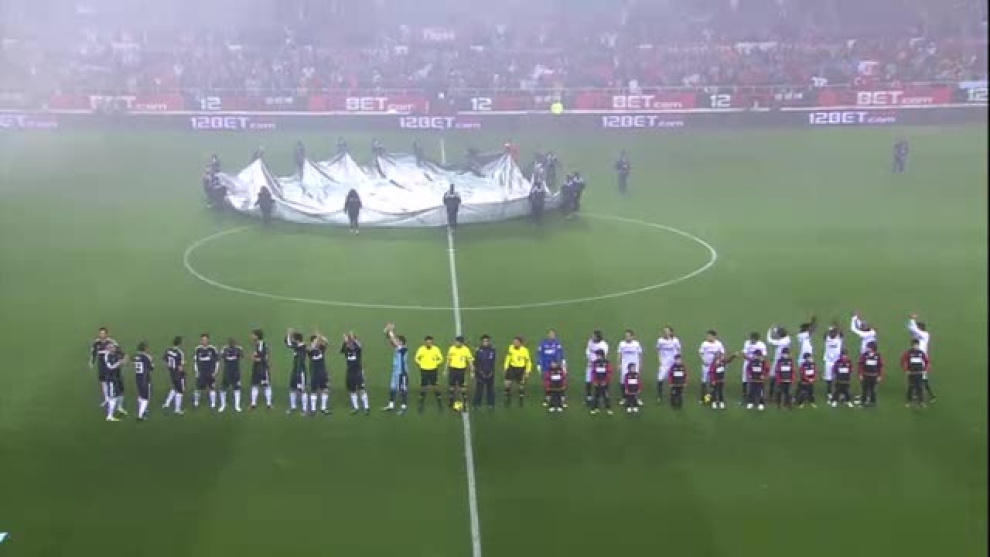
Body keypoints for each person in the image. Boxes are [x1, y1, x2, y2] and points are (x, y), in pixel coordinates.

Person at [907, 314, 935, 402]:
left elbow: (914, 329)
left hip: (922, 360)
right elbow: (910, 328)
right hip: (915, 359)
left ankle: (931, 395)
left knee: (923, 378)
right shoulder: (917, 336)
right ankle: (917, 394)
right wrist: (911, 321)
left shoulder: (925, 334)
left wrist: (912, 319)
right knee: (916, 377)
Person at [340, 332, 370, 415]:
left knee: (361, 389)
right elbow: (341, 350)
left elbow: (360, 345)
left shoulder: (357, 349)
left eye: (350, 342)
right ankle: (356, 408)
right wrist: (345, 341)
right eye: (348, 343)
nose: (348, 344)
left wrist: (353, 339)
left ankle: (366, 407)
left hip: (358, 372)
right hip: (350, 372)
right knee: (352, 390)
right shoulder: (346, 349)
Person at [382, 323, 408, 413]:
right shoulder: (398, 347)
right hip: (395, 372)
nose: (396, 341)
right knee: (392, 387)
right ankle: (391, 405)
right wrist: (387, 333)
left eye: (398, 340)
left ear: (401, 342)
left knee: (402, 389)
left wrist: (390, 331)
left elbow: (394, 341)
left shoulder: (404, 348)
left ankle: (403, 406)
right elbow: (391, 341)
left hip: (402, 373)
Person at [414, 336, 445, 412]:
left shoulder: (436, 349)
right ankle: (421, 401)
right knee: (423, 385)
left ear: (432, 342)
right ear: (425, 342)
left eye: (430, 342)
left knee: (435, 385)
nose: (429, 343)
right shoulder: (421, 349)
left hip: (433, 370)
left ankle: (439, 400)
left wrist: (435, 363)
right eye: (427, 342)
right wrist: (421, 363)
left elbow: (441, 359)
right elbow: (416, 358)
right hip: (424, 370)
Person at [537, 329, 566, 407]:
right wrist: (539, 364)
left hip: (555, 366)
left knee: (558, 382)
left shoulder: (557, 343)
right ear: (548, 335)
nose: (551, 335)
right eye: (550, 334)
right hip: (546, 366)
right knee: (547, 382)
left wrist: (563, 363)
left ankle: (560, 399)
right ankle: (547, 397)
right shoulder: (542, 343)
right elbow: (539, 354)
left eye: (553, 334)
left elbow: (561, 353)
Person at [90, 327, 117, 408]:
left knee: (111, 382)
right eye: (100, 333)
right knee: (103, 382)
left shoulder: (111, 342)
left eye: (103, 333)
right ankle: (106, 399)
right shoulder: (96, 343)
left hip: (110, 365)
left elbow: (118, 351)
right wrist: (92, 362)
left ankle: (113, 398)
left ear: (106, 334)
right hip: (101, 365)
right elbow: (93, 353)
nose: (102, 335)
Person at [446, 336, 474, 410]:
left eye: (458, 342)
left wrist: (472, 371)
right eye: (456, 342)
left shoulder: (466, 350)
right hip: (452, 369)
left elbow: (470, 361)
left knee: (462, 387)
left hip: (461, 370)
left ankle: (465, 402)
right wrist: (446, 369)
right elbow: (448, 360)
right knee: (451, 386)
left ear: (462, 343)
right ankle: (451, 401)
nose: (456, 343)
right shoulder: (451, 348)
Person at [503, 336, 532, 407]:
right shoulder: (511, 347)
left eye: (516, 342)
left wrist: (527, 371)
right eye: (514, 342)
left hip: (521, 368)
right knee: (507, 382)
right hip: (512, 367)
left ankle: (521, 396)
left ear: (520, 343)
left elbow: (528, 361)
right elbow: (508, 358)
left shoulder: (525, 350)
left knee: (521, 384)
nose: (514, 343)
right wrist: (506, 367)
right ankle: (507, 394)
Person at [698, 330, 725, 404]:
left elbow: (722, 353)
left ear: (714, 336)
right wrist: (703, 360)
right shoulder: (704, 344)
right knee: (704, 381)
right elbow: (700, 353)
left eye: (709, 336)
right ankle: (704, 398)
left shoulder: (719, 344)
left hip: (715, 366)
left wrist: (720, 361)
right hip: (706, 366)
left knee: (713, 381)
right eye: (707, 336)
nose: (708, 337)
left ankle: (711, 398)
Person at [655, 326, 681, 404]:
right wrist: (659, 359)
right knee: (660, 378)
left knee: (674, 379)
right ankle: (659, 395)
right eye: (664, 331)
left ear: (671, 332)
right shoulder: (660, 340)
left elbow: (679, 349)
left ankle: (674, 394)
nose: (665, 333)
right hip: (664, 363)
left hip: (673, 363)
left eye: (667, 331)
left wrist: (678, 359)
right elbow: (658, 349)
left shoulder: (675, 340)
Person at [616, 330, 643, 406]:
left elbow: (640, 354)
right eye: (626, 336)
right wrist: (618, 364)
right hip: (625, 365)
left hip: (634, 365)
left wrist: (640, 364)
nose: (627, 337)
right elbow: (619, 354)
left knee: (635, 381)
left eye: (628, 336)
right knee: (623, 381)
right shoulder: (621, 344)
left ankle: (637, 398)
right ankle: (624, 397)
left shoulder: (636, 344)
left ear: (632, 336)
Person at [286, 330, 309, 415]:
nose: (292, 340)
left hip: (300, 372)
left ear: (297, 340)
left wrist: (299, 376)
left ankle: (304, 409)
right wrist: (288, 334)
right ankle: (293, 407)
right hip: (295, 371)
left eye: (293, 338)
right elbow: (288, 343)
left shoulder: (302, 348)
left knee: (302, 390)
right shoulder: (297, 345)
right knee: (292, 389)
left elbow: (300, 362)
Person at [193, 334, 219, 411]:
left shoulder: (213, 349)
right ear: (201, 340)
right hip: (201, 372)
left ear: (208, 340)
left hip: (210, 372)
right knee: (198, 388)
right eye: (202, 340)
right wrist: (196, 371)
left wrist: (215, 372)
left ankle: (213, 403)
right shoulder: (198, 349)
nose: (204, 341)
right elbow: (195, 361)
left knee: (212, 388)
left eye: (205, 339)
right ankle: (196, 402)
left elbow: (217, 361)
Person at [901, 339, 930, 407]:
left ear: (918, 345)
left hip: (919, 372)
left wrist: (925, 370)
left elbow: (927, 362)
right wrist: (906, 370)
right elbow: (902, 361)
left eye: (917, 345)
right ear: (912, 345)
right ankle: (909, 401)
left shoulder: (921, 353)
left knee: (920, 387)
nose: (916, 346)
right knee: (911, 387)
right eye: (914, 345)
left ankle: (921, 401)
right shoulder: (908, 353)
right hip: (911, 373)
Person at [740, 332, 767, 403]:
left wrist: (757, 360)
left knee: (757, 378)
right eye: (751, 339)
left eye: (753, 340)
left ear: (757, 339)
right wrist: (751, 360)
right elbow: (744, 353)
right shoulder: (747, 343)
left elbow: (764, 356)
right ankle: (745, 395)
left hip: (758, 364)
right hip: (748, 362)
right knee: (745, 378)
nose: (751, 341)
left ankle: (759, 395)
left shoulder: (761, 345)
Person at [766, 325, 792, 401]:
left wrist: (769, 331)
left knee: (773, 377)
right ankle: (782, 394)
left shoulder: (781, 342)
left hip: (779, 361)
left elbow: (769, 340)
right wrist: (775, 329)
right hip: (785, 361)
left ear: (780, 335)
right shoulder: (787, 338)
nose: (776, 335)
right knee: (783, 377)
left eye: (777, 334)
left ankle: (772, 394)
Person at [249, 329, 273, 410]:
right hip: (256, 367)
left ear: (257, 336)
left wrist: (256, 359)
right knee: (255, 384)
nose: (251, 336)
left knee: (266, 385)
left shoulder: (262, 345)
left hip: (262, 368)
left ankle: (269, 404)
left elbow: (266, 356)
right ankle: (253, 404)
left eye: (253, 335)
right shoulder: (256, 344)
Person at [308, 330, 331, 415]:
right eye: (316, 341)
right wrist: (317, 339)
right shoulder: (309, 349)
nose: (318, 342)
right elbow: (312, 347)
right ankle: (313, 409)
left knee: (325, 389)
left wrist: (320, 336)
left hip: (322, 372)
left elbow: (327, 342)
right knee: (314, 390)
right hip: (314, 372)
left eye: (318, 341)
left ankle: (323, 408)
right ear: (312, 342)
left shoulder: (321, 348)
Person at [219, 337, 243, 413]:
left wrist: (238, 353)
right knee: (223, 388)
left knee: (237, 388)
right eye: (230, 343)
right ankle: (223, 405)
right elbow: (221, 356)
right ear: (228, 343)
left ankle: (237, 406)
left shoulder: (239, 349)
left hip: (236, 372)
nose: (232, 344)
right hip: (227, 372)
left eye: (233, 343)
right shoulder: (224, 349)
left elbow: (242, 356)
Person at [473, 334, 498, 411]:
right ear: (481, 342)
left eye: (487, 341)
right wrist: (480, 372)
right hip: (480, 373)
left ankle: (491, 404)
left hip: (490, 372)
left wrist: (491, 372)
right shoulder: (478, 350)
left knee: (490, 389)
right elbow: (476, 363)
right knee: (479, 389)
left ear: (489, 342)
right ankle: (476, 404)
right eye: (484, 341)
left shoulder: (492, 350)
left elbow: (493, 362)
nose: (485, 343)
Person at [162, 336, 186, 414]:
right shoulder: (180, 353)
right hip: (177, 373)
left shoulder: (168, 350)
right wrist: (183, 374)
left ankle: (166, 404)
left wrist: (170, 367)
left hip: (171, 372)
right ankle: (177, 409)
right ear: (180, 343)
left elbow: (165, 361)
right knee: (180, 391)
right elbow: (180, 367)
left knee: (174, 387)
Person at [584, 330, 608, 405]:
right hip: (590, 364)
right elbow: (588, 350)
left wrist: (595, 362)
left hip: (599, 366)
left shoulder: (603, 345)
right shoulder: (590, 342)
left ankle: (601, 397)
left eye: (594, 336)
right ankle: (589, 396)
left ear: (598, 337)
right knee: (588, 380)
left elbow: (603, 356)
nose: (592, 337)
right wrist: (589, 357)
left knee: (600, 381)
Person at [131, 342, 154, 421]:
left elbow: (132, 361)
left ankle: (142, 409)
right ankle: (140, 416)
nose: (148, 349)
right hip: (145, 379)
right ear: (145, 348)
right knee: (145, 398)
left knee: (141, 395)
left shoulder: (135, 356)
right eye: (147, 348)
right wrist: (151, 361)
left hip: (138, 378)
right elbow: (151, 368)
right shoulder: (146, 357)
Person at [103, 344, 126, 421]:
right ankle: (109, 416)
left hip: (118, 378)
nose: (114, 348)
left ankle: (119, 407)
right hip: (111, 379)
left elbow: (123, 360)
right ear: (108, 349)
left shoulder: (116, 354)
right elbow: (110, 367)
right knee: (113, 398)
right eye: (112, 347)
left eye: (114, 347)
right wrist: (119, 362)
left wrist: (123, 360)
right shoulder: (107, 356)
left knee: (121, 394)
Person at [857, 341, 884, 407]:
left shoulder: (878, 356)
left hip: (874, 376)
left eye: (868, 347)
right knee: (864, 389)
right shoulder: (864, 355)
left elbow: (880, 366)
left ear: (873, 348)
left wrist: (879, 376)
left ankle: (873, 401)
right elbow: (860, 365)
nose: (867, 348)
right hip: (865, 375)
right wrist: (860, 374)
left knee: (873, 390)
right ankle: (863, 401)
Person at [823, 323, 844, 403]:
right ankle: (829, 393)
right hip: (828, 362)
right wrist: (830, 329)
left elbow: (841, 333)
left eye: (834, 332)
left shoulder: (839, 339)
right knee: (829, 378)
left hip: (837, 362)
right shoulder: (827, 338)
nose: (832, 334)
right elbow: (825, 335)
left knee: (839, 378)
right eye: (831, 332)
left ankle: (839, 392)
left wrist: (837, 327)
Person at [588, 349, 613, 415]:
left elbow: (609, 372)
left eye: (598, 355)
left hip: (605, 383)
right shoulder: (595, 362)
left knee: (606, 395)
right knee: (596, 395)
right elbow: (593, 372)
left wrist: (605, 381)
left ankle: (608, 408)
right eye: (597, 355)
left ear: (602, 355)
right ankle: (595, 408)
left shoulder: (607, 362)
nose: (597, 356)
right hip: (597, 382)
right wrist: (594, 381)